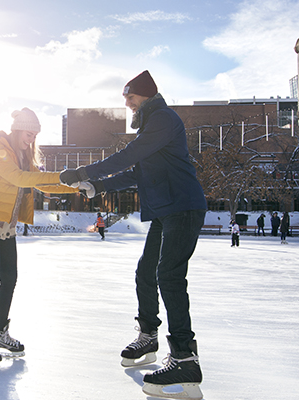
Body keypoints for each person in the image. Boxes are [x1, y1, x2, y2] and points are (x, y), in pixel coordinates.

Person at [59, 71, 207, 399]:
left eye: (130, 96)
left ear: (147, 96)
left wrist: (85, 172)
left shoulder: (163, 119)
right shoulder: (154, 127)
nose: (126, 102)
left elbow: (129, 156)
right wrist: (97, 185)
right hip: (166, 211)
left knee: (168, 275)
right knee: (146, 272)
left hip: (183, 207)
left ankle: (185, 357)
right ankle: (148, 335)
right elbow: (135, 173)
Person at [0, 107, 79, 370]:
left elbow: (40, 182)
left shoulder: (23, 154)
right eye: (29, 134)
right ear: (19, 129)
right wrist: (63, 176)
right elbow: (20, 179)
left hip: (6, 226)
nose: (31, 140)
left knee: (10, 278)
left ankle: (0, 332)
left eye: (34, 136)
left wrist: (74, 183)